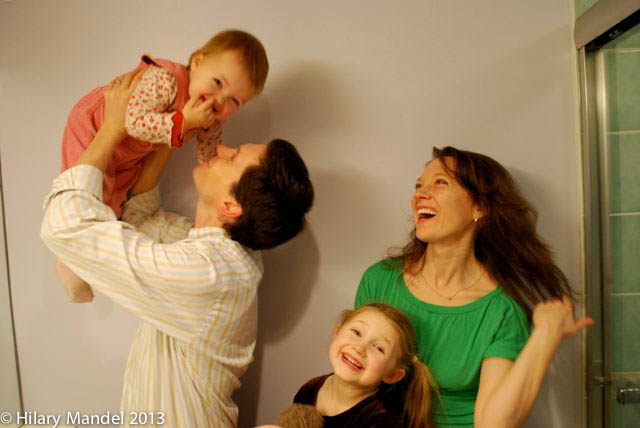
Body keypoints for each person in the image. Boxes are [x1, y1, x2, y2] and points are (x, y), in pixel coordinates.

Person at [41, 69, 314, 427]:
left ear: (232, 206)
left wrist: (111, 130)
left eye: (233, 158)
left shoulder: (210, 274)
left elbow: (66, 226)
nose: (221, 148)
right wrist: (174, 131)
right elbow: (140, 219)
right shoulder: (220, 252)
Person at [355, 146, 593, 428]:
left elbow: (492, 424)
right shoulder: (380, 280)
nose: (420, 194)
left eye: (440, 182)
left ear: (479, 208)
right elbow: (353, 383)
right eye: (418, 185)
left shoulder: (501, 310)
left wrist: (545, 336)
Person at [56, 29, 268, 303]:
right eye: (217, 83)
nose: (219, 101)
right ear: (198, 62)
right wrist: (183, 121)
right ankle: (68, 261)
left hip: (128, 154)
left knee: (117, 204)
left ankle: (83, 264)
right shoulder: (165, 80)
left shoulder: (209, 113)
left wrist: (209, 152)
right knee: (91, 194)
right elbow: (133, 122)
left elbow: (210, 155)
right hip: (93, 128)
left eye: (233, 101)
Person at [291, 303, 437, 428]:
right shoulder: (311, 388)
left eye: (379, 348)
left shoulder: (381, 422)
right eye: (356, 332)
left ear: (392, 375)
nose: (359, 347)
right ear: (337, 332)